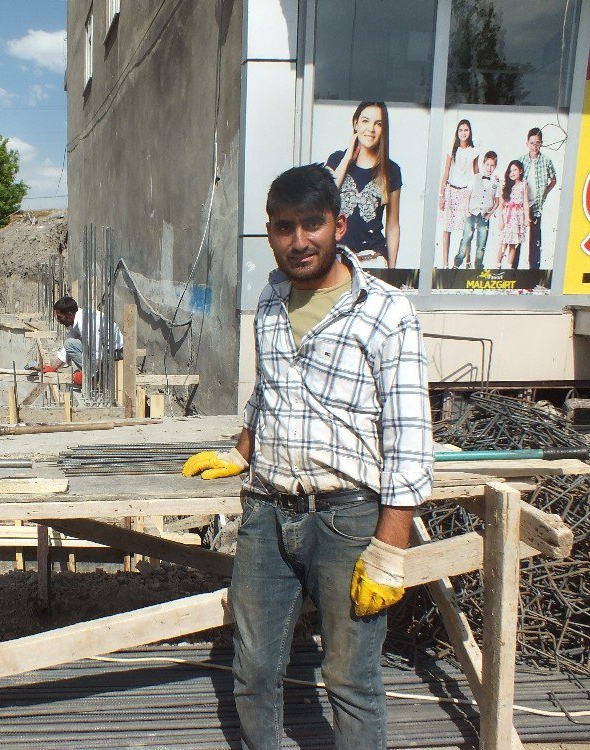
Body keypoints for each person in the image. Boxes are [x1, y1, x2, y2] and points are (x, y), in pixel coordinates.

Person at [183, 165, 433, 750]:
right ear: (270, 233)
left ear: (338, 224)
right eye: (284, 227)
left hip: (346, 519)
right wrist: (240, 453)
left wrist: (390, 550)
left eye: (312, 225)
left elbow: (409, 436)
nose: (299, 241)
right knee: (255, 672)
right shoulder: (270, 301)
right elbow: (268, 391)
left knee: (350, 679)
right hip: (268, 513)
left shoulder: (387, 312)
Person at [325, 101, 401, 269]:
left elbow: (393, 224)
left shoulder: (392, 170)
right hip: (337, 258)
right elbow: (323, 197)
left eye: (378, 124)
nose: (371, 129)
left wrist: (392, 271)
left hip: (373, 258)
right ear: (355, 123)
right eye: (365, 121)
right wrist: (347, 159)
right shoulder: (336, 160)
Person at [38, 296, 124, 379]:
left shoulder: (85, 323)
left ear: (70, 315)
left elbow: (97, 353)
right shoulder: (77, 318)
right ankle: (90, 373)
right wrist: (54, 367)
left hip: (114, 354)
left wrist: (89, 375)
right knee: (70, 343)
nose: (58, 320)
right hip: (104, 351)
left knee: (71, 344)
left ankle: (94, 377)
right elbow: (67, 346)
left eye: (60, 317)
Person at [439, 119, 479, 267]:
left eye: (466, 130)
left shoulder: (474, 151)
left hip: (465, 194)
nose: (463, 133)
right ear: (457, 132)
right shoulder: (452, 149)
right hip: (450, 191)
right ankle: (445, 263)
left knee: (466, 229)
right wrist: (441, 196)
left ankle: (467, 263)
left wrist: (480, 192)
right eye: (461, 130)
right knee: (447, 228)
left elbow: (476, 173)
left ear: (470, 132)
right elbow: (446, 173)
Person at [454, 150, 500, 270]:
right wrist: (466, 210)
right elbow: (467, 194)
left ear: (495, 166)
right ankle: (457, 263)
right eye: (487, 165)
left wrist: (489, 215)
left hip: (484, 216)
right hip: (471, 213)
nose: (489, 168)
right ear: (483, 164)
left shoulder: (496, 183)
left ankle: (478, 266)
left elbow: (497, 202)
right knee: (466, 239)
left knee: (481, 243)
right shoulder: (475, 178)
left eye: (492, 165)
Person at [519, 127, 557, 271]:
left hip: (536, 206)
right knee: (516, 238)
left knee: (535, 239)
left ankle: (533, 271)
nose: (535, 146)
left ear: (541, 143)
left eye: (538, 143)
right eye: (532, 142)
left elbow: (553, 179)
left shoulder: (546, 161)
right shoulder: (521, 160)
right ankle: (513, 269)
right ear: (527, 143)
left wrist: (545, 193)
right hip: (522, 206)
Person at [496, 160, 530, 270]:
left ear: (520, 171)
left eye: (515, 170)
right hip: (507, 218)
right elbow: (501, 205)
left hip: (518, 218)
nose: (512, 172)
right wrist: (500, 220)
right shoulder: (505, 185)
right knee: (503, 243)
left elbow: (525, 203)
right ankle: (497, 266)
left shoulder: (523, 184)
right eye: (510, 170)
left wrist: (526, 219)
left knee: (513, 244)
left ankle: (508, 269)